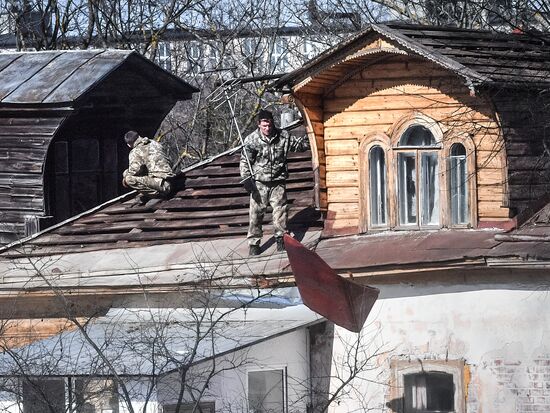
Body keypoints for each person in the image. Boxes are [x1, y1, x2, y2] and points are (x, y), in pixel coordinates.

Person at [240, 109, 310, 256]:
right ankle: (254, 243)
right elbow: (245, 161)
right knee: (256, 215)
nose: (267, 128)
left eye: (269, 125)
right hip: (260, 183)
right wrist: (246, 178)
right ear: (259, 124)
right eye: (264, 126)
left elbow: (299, 146)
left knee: (280, 212)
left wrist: (310, 135)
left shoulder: (283, 136)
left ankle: (281, 239)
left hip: (278, 182)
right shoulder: (251, 139)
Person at [122, 130, 175, 201]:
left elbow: (134, 170)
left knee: (128, 179)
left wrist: (125, 175)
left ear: (128, 144)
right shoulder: (155, 143)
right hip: (172, 179)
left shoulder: (135, 151)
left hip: (162, 185)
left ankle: (157, 195)